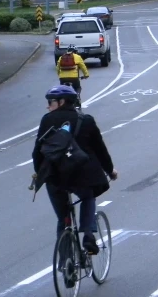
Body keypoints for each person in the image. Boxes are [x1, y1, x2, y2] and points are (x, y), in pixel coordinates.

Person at [32, 85, 118, 255]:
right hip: (82, 176)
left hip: (56, 177)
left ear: (62, 102)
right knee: (88, 197)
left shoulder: (47, 120)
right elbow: (100, 150)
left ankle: (66, 265)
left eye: (50, 102)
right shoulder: (86, 120)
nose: (47, 106)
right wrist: (110, 171)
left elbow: (37, 152)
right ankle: (88, 234)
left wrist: (39, 172)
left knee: (63, 219)